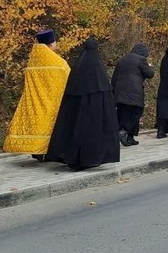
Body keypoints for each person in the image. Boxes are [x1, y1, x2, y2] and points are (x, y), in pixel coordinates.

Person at [46, 37, 120, 170]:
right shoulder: (98, 69)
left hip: (77, 109)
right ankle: (92, 158)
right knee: (93, 131)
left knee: (76, 130)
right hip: (95, 109)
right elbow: (105, 92)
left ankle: (73, 157)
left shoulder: (77, 69)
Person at [3, 29, 70, 161]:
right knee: (49, 126)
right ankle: (48, 151)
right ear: (51, 44)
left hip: (34, 100)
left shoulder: (33, 61)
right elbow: (67, 78)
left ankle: (36, 150)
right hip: (52, 100)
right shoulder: (58, 63)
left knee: (37, 124)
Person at [112, 43, 155, 147]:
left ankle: (130, 137)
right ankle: (123, 131)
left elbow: (114, 77)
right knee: (136, 112)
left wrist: (114, 91)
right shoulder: (141, 60)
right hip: (133, 92)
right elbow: (150, 74)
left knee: (123, 113)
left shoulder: (122, 59)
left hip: (120, 92)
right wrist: (149, 66)